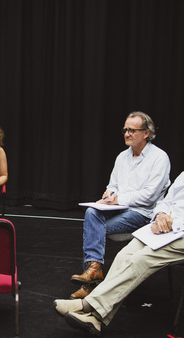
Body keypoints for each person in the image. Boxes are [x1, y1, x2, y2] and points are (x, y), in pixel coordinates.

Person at [54, 129, 184, 337]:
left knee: (141, 259)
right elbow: (165, 202)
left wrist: (174, 223)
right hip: (166, 231)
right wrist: (160, 215)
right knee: (125, 254)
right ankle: (94, 319)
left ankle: (87, 306)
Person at [70, 111, 171, 300]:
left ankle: (91, 281)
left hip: (142, 214)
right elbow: (113, 185)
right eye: (125, 130)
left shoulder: (159, 158)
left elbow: (149, 197)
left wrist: (119, 198)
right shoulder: (122, 157)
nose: (127, 134)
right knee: (92, 212)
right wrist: (109, 194)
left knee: (94, 229)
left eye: (132, 130)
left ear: (146, 133)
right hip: (118, 210)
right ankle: (94, 271)